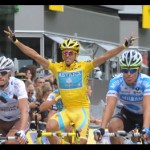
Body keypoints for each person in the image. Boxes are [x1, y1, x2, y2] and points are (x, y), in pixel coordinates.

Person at [4, 26, 136, 144]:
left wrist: (123, 46)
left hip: (81, 111)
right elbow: (35, 55)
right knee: (50, 127)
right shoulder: (57, 67)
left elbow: (105, 56)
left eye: (70, 53)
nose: (67, 55)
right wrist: (16, 41)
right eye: (64, 53)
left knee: (82, 142)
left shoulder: (84, 66)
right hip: (67, 111)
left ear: (76, 54)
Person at [94, 50, 150, 144]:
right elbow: (110, 106)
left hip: (146, 114)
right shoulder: (116, 82)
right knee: (113, 126)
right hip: (128, 113)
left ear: (139, 69)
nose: (129, 73)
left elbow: (147, 107)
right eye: (125, 70)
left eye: (132, 70)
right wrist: (101, 128)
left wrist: (146, 128)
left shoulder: (146, 81)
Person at [0, 56, 29, 144]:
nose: (0, 76)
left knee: (10, 142)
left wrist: (22, 131)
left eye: (3, 73)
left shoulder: (18, 84)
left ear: (10, 73)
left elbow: (24, 110)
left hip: (17, 120)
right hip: (1, 120)